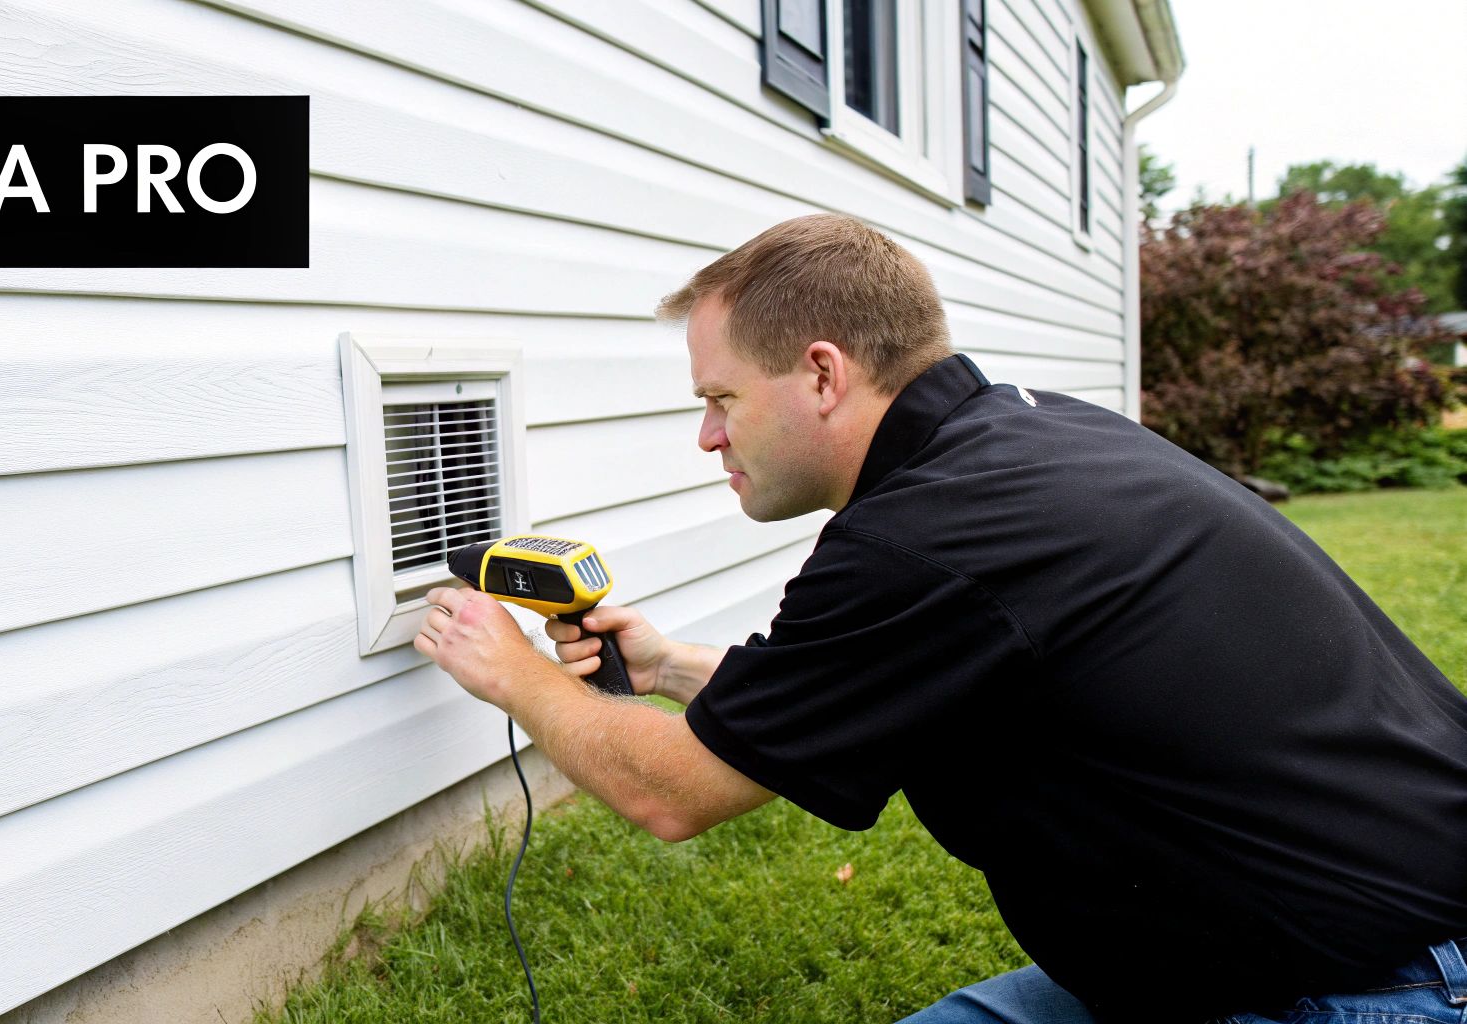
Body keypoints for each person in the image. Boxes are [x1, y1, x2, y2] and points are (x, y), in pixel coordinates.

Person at [413, 213, 1467, 1023]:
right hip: (1331, 928)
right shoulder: (1025, 442)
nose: (705, 435)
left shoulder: (916, 539)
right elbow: (891, 670)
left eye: (721, 399)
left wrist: (513, 673)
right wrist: (671, 664)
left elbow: (669, 791)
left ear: (821, 373)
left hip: (1370, 986)